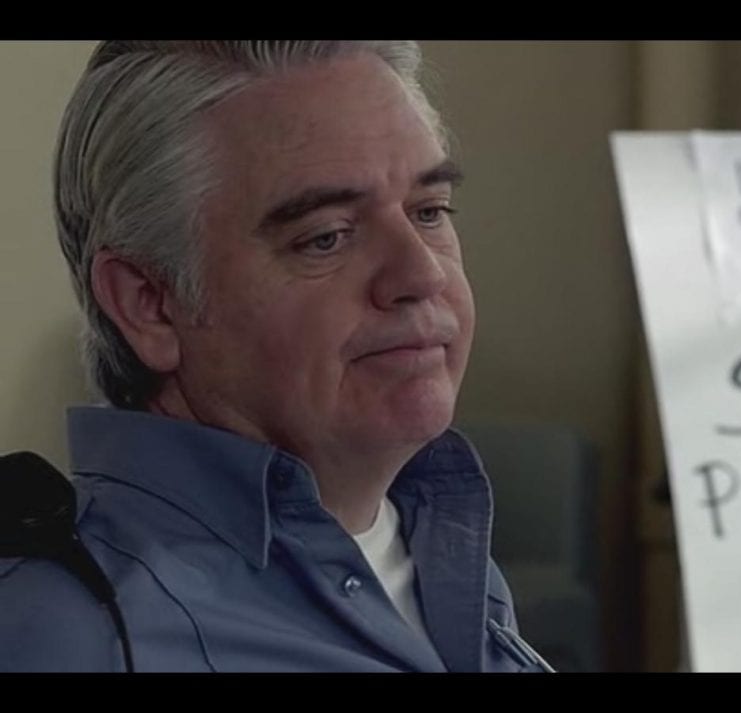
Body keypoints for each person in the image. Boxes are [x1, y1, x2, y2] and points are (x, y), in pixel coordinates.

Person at [0, 40, 549, 673]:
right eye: (326, 238)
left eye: (429, 212)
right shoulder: (65, 629)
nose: (422, 274)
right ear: (149, 304)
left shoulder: (440, 556)